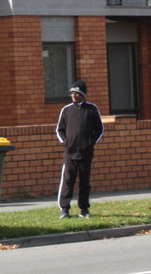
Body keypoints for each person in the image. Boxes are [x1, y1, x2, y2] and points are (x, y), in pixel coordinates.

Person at [55, 80, 104, 219]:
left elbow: (100, 130)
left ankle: (84, 209)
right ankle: (64, 209)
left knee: (84, 182)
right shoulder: (66, 110)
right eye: (72, 93)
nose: (74, 96)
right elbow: (59, 129)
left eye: (76, 93)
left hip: (86, 153)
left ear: (83, 94)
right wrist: (66, 142)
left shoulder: (92, 109)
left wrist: (90, 143)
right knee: (67, 180)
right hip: (70, 153)